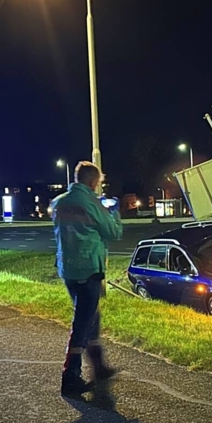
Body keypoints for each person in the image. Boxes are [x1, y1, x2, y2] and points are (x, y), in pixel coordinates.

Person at [51, 161, 123, 396]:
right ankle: (70, 376)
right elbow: (114, 233)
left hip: (68, 269)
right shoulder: (91, 202)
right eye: (99, 183)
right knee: (83, 321)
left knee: (92, 316)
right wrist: (114, 212)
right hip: (88, 270)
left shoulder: (59, 202)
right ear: (94, 181)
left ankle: (99, 366)